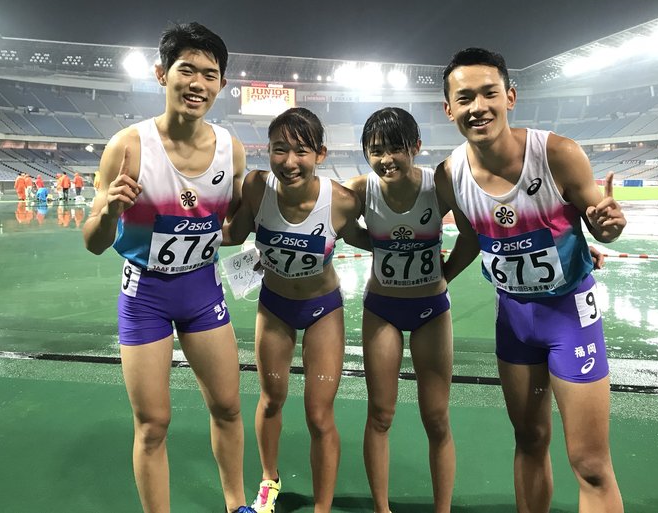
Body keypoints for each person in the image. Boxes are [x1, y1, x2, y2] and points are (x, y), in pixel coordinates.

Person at [436, 47, 626, 513]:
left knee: (590, 462)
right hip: (515, 321)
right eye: (464, 99)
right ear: (449, 109)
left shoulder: (556, 154)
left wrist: (606, 228)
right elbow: (469, 237)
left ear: (510, 96)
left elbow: (599, 218)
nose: (477, 107)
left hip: (569, 317)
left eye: (489, 93)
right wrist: (436, 279)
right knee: (529, 440)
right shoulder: (451, 174)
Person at [82, 21, 255, 513]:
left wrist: (263, 209)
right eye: (187, 70)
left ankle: (237, 504)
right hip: (145, 299)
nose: (198, 82)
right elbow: (94, 243)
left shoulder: (230, 149)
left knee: (226, 407)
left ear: (221, 84)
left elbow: (232, 232)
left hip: (203, 293)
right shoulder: (128, 148)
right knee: (153, 424)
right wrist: (110, 210)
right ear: (162, 74)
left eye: (210, 73)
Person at [223, 107, 366, 513]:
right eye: (279, 149)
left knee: (320, 415)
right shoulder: (256, 188)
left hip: (323, 311)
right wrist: (182, 224)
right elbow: (234, 232)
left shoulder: (341, 202)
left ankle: (322, 506)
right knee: (271, 399)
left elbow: (372, 237)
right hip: (274, 308)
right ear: (266, 151)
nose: (289, 162)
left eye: (300, 151)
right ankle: (270, 481)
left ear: (319, 154)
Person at [344, 107, 476, 513]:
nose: (387, 159)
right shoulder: (359, 189)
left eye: (396, 149)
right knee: (380, 415)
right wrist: (381, 248)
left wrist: (442, 278)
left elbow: (472, 238)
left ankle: (442, 509)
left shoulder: (437, 187)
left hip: (431, 312)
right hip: (381, 310)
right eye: (377, 150)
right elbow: (346, 230)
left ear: (416, 147)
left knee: (436, 419)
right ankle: (382, 509)